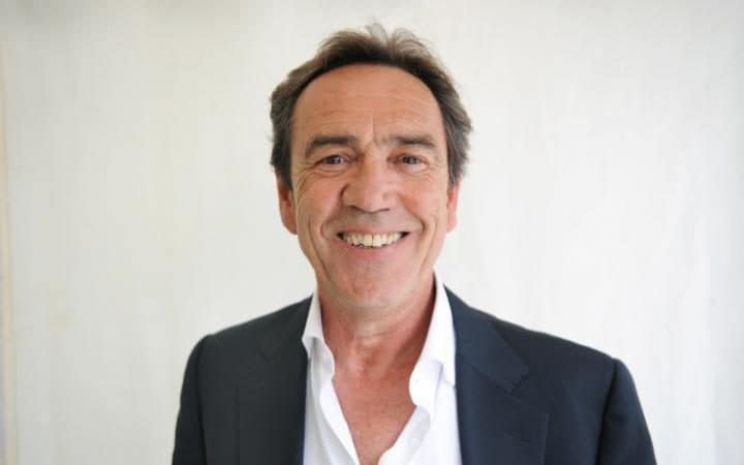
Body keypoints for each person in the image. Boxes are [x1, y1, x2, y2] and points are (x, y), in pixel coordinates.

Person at [172, 24, 656, 465]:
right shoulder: (217, 376)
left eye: (408, 159)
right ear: (286, 198)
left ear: (450, 197)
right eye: (334, 158)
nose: (371, 197)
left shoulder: (587, 398)